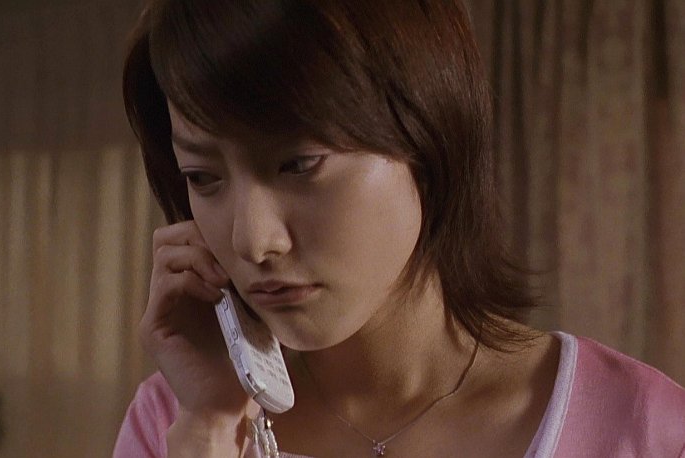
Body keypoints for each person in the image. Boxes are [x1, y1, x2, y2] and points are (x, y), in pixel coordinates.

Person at [113, 1, 685, 457]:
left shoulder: (644, 428)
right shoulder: (176, 421)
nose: (252, 241)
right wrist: (210, 429)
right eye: (202, 177)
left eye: (299, 164)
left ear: (427, 139)